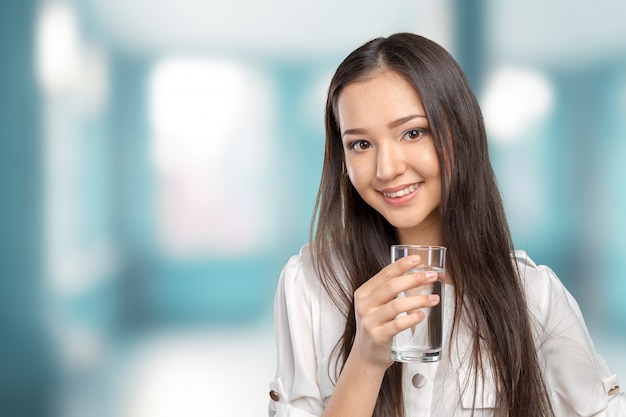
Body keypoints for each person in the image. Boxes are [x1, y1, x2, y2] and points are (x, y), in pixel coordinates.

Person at [268, 33, 625, 417]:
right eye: (360, 144)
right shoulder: (308, 285)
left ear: (459, 133)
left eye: (412, 133)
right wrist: (366, 360)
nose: (387, 169)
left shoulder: (533, 297)